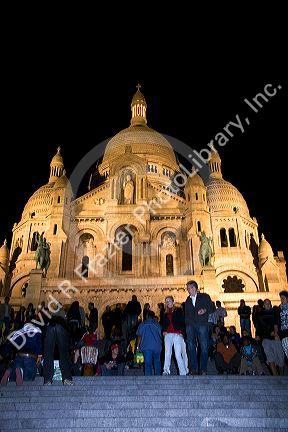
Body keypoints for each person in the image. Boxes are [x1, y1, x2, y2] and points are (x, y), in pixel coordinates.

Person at [184, 280, 215, 375]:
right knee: (190, 347)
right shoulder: (187, 300)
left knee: (204, 347)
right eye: (188, 289)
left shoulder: (205, 296)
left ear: (194, 288)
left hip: (202, 324)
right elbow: (186, 314)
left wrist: (204, 310)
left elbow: (212, 308)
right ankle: (193, 369)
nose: (188, 290)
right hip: (190, 326)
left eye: (189, 288)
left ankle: (203, 369)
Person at [0, 321, 42, 385]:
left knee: (13, 381)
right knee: (28, 382)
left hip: (18, 357)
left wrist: (2, 354)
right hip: (30, 358)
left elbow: (9, 345)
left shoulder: (18, 333)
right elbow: (38, 344)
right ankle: (18, 372)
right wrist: (39, 355)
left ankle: (11, 371)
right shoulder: (36, 331)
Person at [43, 306, 73, 385]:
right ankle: (66, 378)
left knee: (48, 353)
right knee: (63, 353)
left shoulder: (52, 311)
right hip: (61, 326)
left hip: (51, 325)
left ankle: (47, 380)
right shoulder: (63, 312)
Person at [257, 298, 285, 375]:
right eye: (266, 303)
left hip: (276, 338)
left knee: (280, 358)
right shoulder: (260, 314)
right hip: (266, 338)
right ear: (263, 305)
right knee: (270, 357)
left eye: (269, 303)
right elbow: (259, 326)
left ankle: (281, 375)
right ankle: (275, 376)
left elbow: (277, 323)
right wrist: (258, 335)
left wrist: (276, 333)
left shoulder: (274, 312)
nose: (268, 304)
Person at [162, 296, 188, 376]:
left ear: (173, 302)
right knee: (167, 353)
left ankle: (183, 372)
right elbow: (162, 323)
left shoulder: (178, 310)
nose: (167, 303)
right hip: (168, 334)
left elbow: (183, 322)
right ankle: (166, 370)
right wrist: (163, 331)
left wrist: (181, 332)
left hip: (177, 334)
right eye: (166, 301)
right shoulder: (164, 312)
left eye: (169, 301)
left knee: (177, 354)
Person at [136, 310, 162, 376]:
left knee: (147, 363)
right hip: (157, 346)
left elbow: (139, 336)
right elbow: (161, 335)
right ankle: (158, 377)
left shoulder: (142, 324)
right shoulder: (157, 324)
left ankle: (148, 378)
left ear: (147, 316)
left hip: (146, 346)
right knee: (157, 362)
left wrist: (137, 347)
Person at [274, 290, 288, 359]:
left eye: (283, 298)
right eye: (281, 298)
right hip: (283, 332)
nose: (281, 300)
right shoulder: (279, 309)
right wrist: (276, 333)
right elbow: (276, 322)